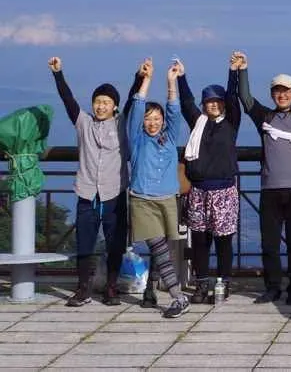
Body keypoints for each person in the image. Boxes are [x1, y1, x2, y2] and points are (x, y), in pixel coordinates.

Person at [48, 56, 140, 307]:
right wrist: (58, 74)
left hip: (114, 194)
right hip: (87, 193)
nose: (101, 106)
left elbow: (133, 101)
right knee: (85, 244)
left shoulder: (122, 123)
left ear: (114, 106)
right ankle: (83, 288)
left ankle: (111, 287)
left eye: (106, 102)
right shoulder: (83, 123)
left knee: (116, 244)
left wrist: (139, 77)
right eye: (98, 102)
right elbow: (68, 100)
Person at [236, 49, 291, 305]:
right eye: (278, 91)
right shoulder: (265, 117)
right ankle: (272, 288)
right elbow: (245, 98)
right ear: (272, 94)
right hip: (270, 190)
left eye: (287, 91)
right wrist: (243, 69)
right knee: (269, 245)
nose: (282, 95)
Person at [127, 58, 190, 318]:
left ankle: (150, 291)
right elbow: (136, 107)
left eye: (157, 118)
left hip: (167, 199)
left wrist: (171, 82)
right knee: (159, 246)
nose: (152, 122)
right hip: (142, 200)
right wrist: (147, 79)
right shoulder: (136, 139)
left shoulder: (170, 136)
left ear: (163, 121)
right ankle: (178, 297)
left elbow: (175, 110)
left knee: (161, 248)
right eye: (148, 119)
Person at [176, 56, 241, 304]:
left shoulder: (231, 123)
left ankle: (223, 283)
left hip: (224, 191)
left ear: (223, 104)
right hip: (199, 191)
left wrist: (233, 72)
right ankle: (202, 284)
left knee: (224, 242)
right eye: (208, 101)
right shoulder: (198, 122)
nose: (213, 105)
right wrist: (181, 77)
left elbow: (234, 98)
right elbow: (186, 103)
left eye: (217, 101)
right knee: (200, 241)